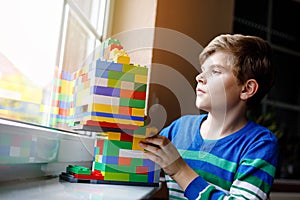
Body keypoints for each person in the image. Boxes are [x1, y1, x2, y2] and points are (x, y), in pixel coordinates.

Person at [139, 33, 279, 199]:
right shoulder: (178, 129)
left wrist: (180, 170)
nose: (199, 78)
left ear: (247, 89)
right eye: (203, 70)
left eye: (215, 71)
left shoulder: (259, 144)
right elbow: (133, 163)